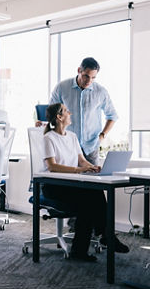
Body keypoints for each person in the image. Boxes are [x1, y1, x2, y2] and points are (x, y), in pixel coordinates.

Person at [42, 103, 129, 263]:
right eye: (67, 111)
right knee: (88, 202)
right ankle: (103, 238)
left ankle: (100, 239)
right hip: (54, 187)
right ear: (59, 117)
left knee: (95, 192)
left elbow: (81, 160)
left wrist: (92, 167)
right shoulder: (49, 138)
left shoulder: (72, 136)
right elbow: (52, 166)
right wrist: (77, 170)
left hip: (72, 185)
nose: (70, 113)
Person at [48, 57, 117, 232]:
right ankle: (76, 229)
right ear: (79, 70)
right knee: (76, 190)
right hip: (65, 145)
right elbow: (51, 112)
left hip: (90, 146)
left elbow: (112, 116)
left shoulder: (100, 92)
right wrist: (43, 124)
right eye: (87, 76)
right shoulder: (62, 87)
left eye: (93, 78)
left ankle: (98, 231)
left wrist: (102, 135)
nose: (89, 81)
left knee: (93, 190)